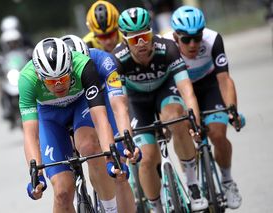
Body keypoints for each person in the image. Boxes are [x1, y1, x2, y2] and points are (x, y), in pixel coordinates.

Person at [19, 37, 136, 213]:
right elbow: (30, 134)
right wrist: (36, 174)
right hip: (50, 116)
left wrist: (111, 158)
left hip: (80, 105)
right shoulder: (26, 79)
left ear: (71, 67)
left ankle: (111, 209)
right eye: (51, 81)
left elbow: (100, 117)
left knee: (89, 146)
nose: (58, 85)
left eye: (64, 78)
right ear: (38, 75)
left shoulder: (84, 66)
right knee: (62, 193)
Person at [112, 7, 208, 212]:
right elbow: (120, 104)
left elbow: (187, 91)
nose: (141, 43)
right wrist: (126, 137)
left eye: (145, 36)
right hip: (137, 102)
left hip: (164, 93)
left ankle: (193, 184)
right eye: (134, 39)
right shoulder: (117, 59)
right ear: (124, 39)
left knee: (178, 119)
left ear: (151, 32)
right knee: (145, 158)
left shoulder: (169, 49)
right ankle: (155, 207)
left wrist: (195, 124)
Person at [164, 5, 243, 209]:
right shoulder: (164, 45)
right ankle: (192, 183)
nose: (193, 44)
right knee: (183, 133)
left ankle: (226, 180)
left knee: (217, 134)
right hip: (180, 90)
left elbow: (224, 80)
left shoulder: (213, 39)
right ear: (175, 36)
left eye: (197, 38)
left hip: (208, 86)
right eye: (186, 39)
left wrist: (232, 110)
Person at [61, 34, 141, 212]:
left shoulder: (105, 61)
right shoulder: (61, 74)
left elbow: (119, 106)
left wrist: (128, 140)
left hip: (104, 98)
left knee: (119, 170)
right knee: (88, 147)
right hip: (80, 104)